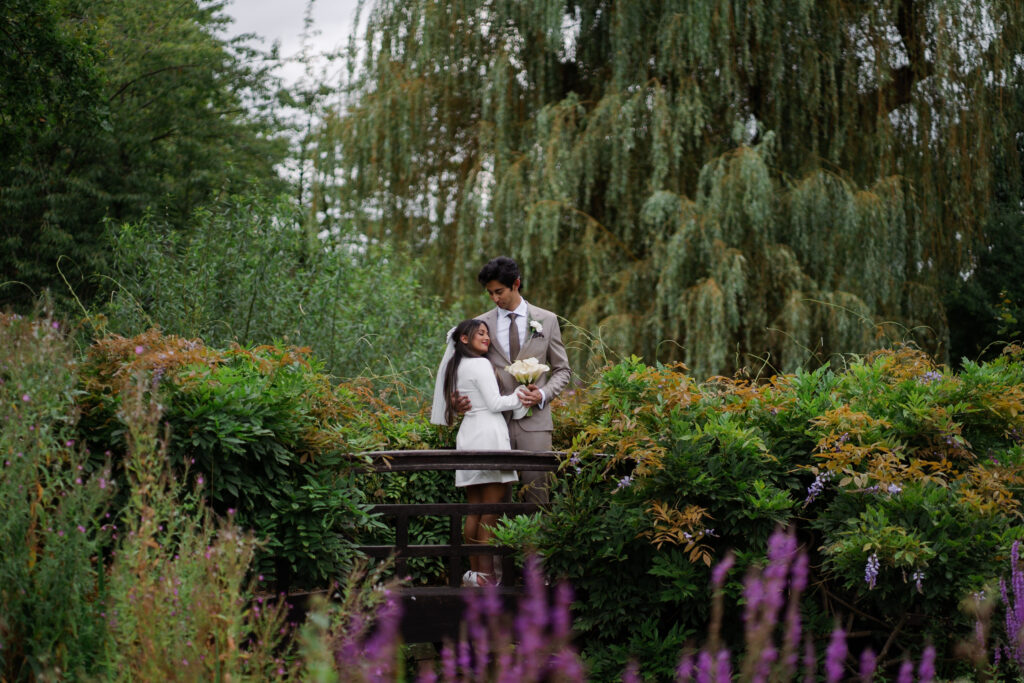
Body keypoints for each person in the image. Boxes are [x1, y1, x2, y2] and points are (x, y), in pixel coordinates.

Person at [458, 256, 572, 504]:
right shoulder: (480, 324)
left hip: (536, 425)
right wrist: (457, 399)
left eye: (499, 292)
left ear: (516, 284)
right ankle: (496, 545)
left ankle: (534, 545)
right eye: (489, 293)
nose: (495, 299)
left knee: (537, 497)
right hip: (492, 425)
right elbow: (464, 368)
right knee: (495, 501)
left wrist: (542, 394)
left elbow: (563, 370)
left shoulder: (547, 320)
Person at [430, 318, 529, 587]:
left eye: (488, 333)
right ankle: (487, 575)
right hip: (488, 436)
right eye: (481, 334)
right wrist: (521, 393)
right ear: (464, 338)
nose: (487, 338)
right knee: (492, 511)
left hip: (469, 435)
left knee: (474, 510)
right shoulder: (480, 364)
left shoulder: (456, 365)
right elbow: (496, 403)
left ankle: (474, 574)